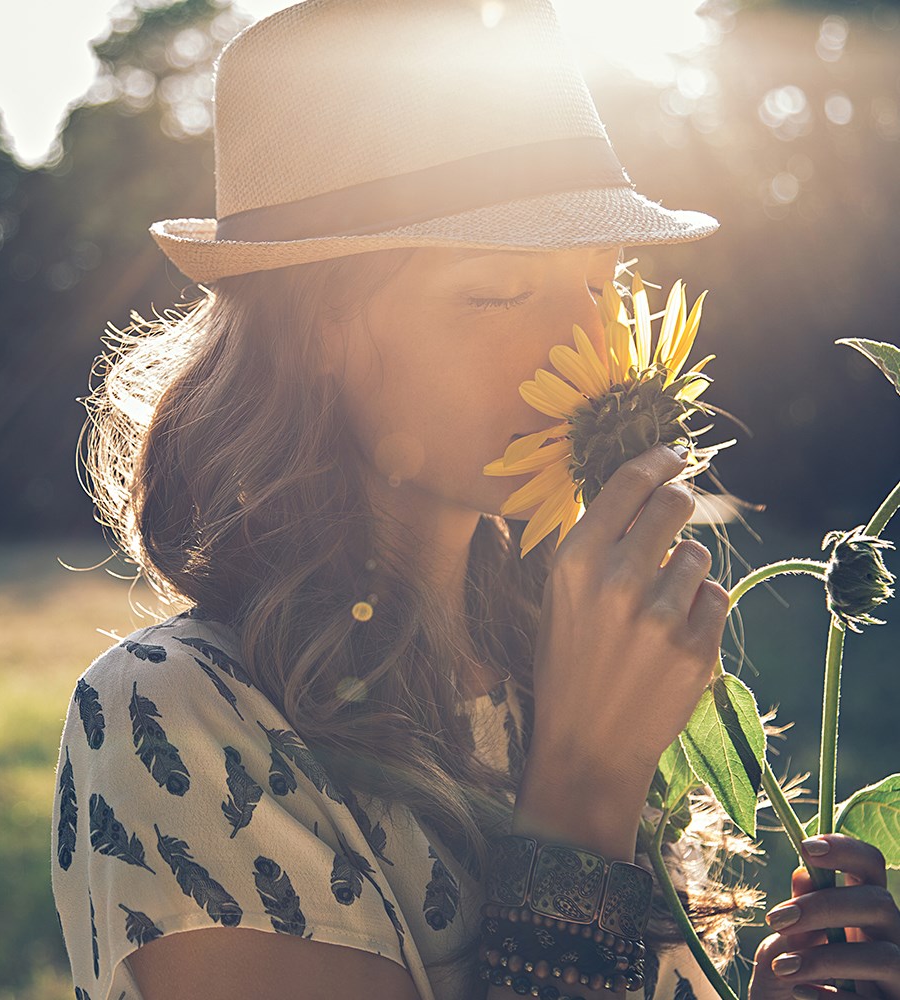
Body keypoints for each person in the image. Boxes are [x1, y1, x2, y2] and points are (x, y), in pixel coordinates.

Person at [50, 2, 900, 1000]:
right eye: (496, 292)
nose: (581, 351)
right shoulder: (178, 718)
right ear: (314, 328)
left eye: (603, 285)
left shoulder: (558, 660)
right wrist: (584, 780)